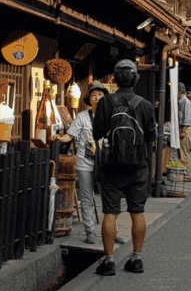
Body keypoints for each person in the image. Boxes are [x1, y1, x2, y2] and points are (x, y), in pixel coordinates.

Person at [92, 59, 157, 276]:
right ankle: (136, 259)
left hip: (112, 167)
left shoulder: (106, 102)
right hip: (139, 167)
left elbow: (97, 133)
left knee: (110, 213)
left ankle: (109, 261)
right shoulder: (146, 105)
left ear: (115, 79)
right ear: (136, 78)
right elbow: (151, 137)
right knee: (137, 213)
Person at [54, 81, 108, 245]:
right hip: (86, 162)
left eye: (100, 95)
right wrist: (59, 137)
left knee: (109, 198)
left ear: (105, 98)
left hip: (106, 163)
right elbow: (69, 136)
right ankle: (90, 231)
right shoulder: (83, 116)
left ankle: (112, 231)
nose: (97, 98)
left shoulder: (111, 115)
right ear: (88, 99)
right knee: (86, 198)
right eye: (93, 95)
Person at [177, 83, 191, 181]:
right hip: (181, 128)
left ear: (179, 92)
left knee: (184, 152)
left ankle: (187, 175)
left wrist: (183, 131)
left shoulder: (186, 102)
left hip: (185, 129)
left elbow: (187, 118)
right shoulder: (180, 101)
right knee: (182, 152)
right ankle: (182, 173)